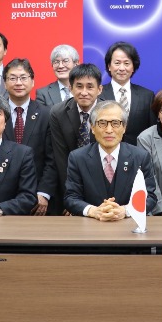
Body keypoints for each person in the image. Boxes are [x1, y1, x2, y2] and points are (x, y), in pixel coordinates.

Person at [64, 101, 158, 219]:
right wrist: (93, 211)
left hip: (129, 227)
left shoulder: (140, 157)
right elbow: (71, 197)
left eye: (115, 123)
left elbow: (150, 197)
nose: (109, 130)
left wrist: (126, 211)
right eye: (102, 123)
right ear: (92, 127)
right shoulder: (77, 157)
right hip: (91, 227)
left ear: (124, 127)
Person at [2, 58, 57, 216]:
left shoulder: (47, 114)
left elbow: (52, 159)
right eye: (12, 78)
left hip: (37, 196)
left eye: (23, 78)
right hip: (2, 196)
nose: (18, 83)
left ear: (33, 82)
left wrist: (44, 193)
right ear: (5, 83)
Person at [49, 64, 104, 215]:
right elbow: (61, 159)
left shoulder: (110, 112)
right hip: (71, 182)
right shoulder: (58, 113)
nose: (84, 92)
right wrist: (72, 201)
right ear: (70, 88)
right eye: (79, 86)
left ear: (99, 89)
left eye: (90, 87)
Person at [100, 41, 155, 145]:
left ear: (133, 67)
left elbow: (152, 131)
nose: (122, 68)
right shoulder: (99, 94)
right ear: (109, 66)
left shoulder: (147, 96)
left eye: (126, 63)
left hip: (138, 155)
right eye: (117, 63)